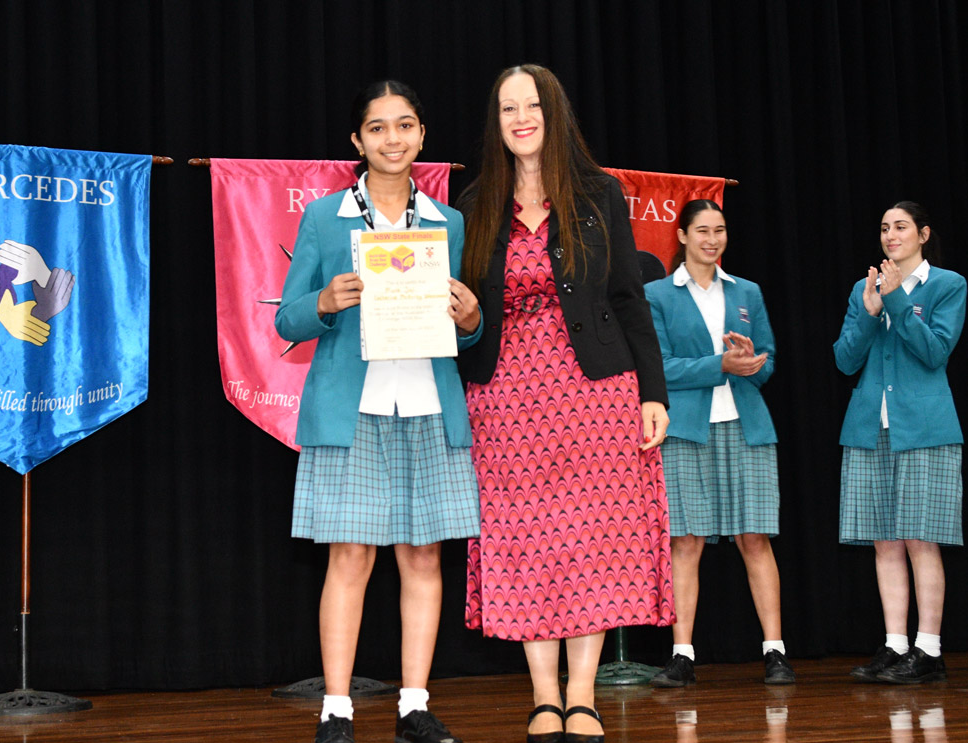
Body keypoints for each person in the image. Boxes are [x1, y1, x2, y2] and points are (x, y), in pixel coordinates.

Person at [459, 63, 674, 743]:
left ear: (554, 114)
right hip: (505, 399)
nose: (520, 119)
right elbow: (467, 312)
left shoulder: (598, 193)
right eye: (506, 109)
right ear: (495, 124)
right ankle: (543, 694)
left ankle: (582, 693)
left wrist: (653, 392)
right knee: (525, 543)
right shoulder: (473, 204)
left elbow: (627, 297)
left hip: (594, 392)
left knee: (590, 544)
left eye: (532, 106)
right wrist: (464, 317)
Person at [275, 80, 483, 743]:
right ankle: (337, 708)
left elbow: (473, 331)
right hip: (352, 408)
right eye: (378, 128)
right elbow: (286, 317)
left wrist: (472, 317)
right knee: (351, 556)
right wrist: (326, 301)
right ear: (357, 142)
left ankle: (413, 705)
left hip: (429, 403)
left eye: (405, 126)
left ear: (422, 136)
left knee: (423, 558)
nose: (392, 138)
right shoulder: (324, 217)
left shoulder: (449, 224)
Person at [644, 199, 795, 687]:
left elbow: (769, 363)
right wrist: (719, 366)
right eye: (702, 231)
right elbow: (658, 368)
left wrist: (753, 360)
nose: (712, 239)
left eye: (720, 230)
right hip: (686, 431)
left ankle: (775, 651)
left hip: (747, 427)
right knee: (685, 542)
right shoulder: (658, 295)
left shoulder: (747, 291)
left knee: (754, 538)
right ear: (682, 236)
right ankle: (682, 654)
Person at [834, 201, 965, 684]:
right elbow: (845, 360)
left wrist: (893, 303)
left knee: (920, 539)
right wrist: (870, 311)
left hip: (925, 429)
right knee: (884, 542)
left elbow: (935, 352)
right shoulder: (862, 289)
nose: (891, 235)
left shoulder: (948, 285)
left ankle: (929, 651)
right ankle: (895, 646)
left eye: (901, 227)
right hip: (871, 427)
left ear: (923, 234)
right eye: (885, 227)